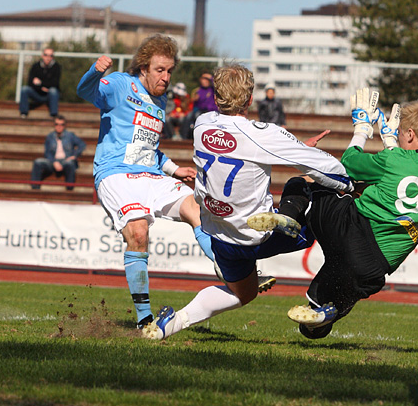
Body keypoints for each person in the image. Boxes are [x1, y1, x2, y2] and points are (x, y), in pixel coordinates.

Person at [142, 64, 354, 341]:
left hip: (221, 236)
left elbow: (238, 142)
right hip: (259, 235)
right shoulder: (263, 133)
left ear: (216, 98)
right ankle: (294, 224)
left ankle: (171, 324)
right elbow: (326, 168)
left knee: (244, 293)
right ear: (250, 98)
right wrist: (349, 184)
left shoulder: (202, 123)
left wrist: (297, 148)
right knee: (310, 191)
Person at [77, 35, 273, 330]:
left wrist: (172, 169)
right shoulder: (119, 84)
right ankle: (145, 320)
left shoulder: (160, 100)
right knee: (138, 233)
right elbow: (84, 90)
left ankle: (230, 270)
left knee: (198, 208)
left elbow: (149, 148)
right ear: (143, 67)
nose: (166, 77)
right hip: (116, 174)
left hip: (151, 175)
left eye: (170, 71)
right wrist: (95, 70)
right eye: (160, 70)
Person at [249, 95, 418, 339]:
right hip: (375, 268)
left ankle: (287, 215)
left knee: (306, 181)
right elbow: (410, 174)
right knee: (311, 327)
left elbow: (349, 162)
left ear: (411, 135)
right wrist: (390, 140)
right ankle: (327, 313)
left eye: (401, 133)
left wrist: (362, 129)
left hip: (350, 229)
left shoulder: (396, 158)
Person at [30, 115, 86, 190]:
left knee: (70, 164)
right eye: (57, 124)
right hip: (53, 161)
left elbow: (82, 144)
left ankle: (70, 189)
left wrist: (74, 155)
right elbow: (47, 153)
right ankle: (35, 187)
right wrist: (54, 162)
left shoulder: (70, 135)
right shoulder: (50, 136)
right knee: (37, 162)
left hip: (66, 161)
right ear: (54, 125)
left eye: (61, 124)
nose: (59, 126)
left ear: (64, 125)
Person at [19, 48, 61, 118]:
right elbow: (30, 82)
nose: (48, 58)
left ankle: (53, 115)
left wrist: (40, 83)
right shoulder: (35, 66)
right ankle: (23, 113)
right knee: (24, 89)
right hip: (36, 93)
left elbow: (55, 83)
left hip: (49, 94)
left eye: (50, 55)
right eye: (46, 55)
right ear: (42, 55)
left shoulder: (57, 67)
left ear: (53, 57)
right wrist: (42, 88)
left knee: (53, 91)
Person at [180, 71, 218, 139]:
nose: (205, 81)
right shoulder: (198, 91)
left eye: (207, 79)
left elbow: (216, 83)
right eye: (203, 78)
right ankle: (183, 137)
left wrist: (211, 77)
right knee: (189, 115)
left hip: (211, 111)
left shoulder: (212, 90)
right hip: (200, 110)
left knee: (198, 116)